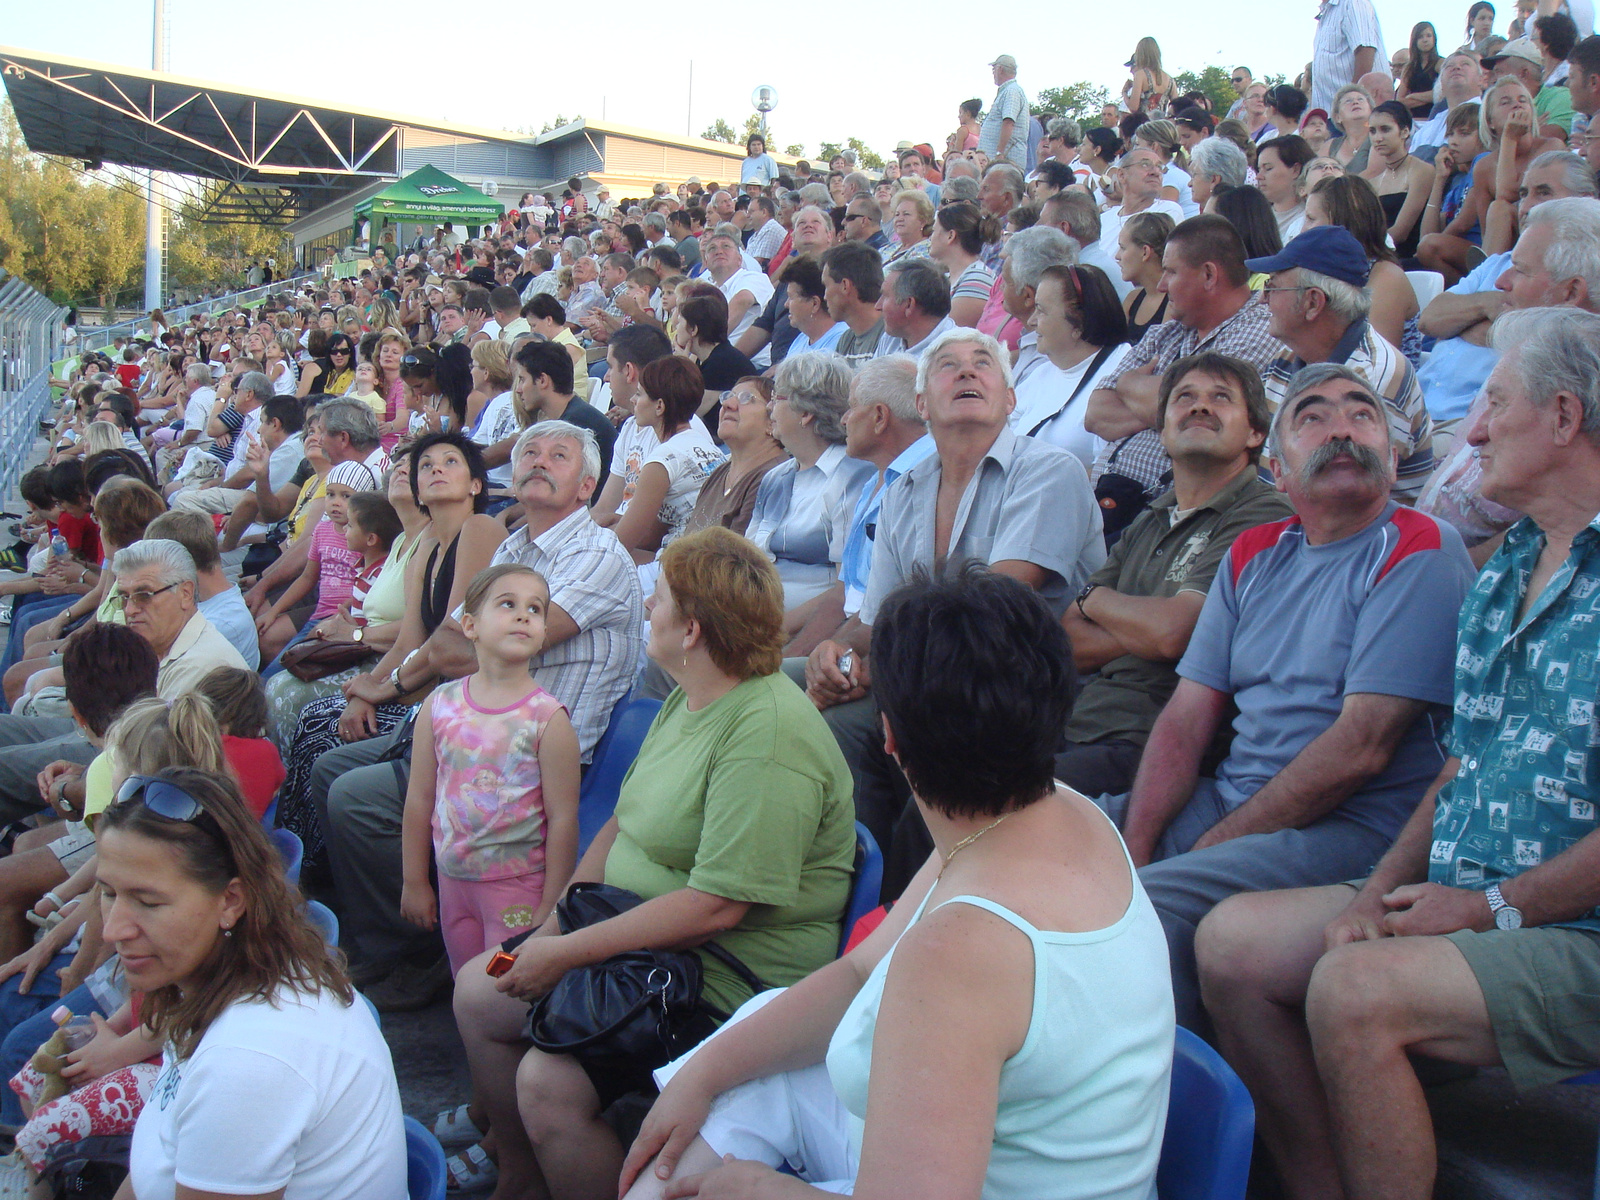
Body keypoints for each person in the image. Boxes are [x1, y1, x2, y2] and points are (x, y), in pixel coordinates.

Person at [1195, 308, 1600, 1200]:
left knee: (1353, 988)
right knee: (1230, 944)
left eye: (1493, 405)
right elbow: (1459, 769)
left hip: (1569, 927)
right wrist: (1376, 894)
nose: (1471, 430)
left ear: (1565, 420)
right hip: (1462, 891)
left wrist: (1490, 908)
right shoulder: (1510, 562)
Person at [619, 567, 1174, 1200]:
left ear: (888, 739)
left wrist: (757, 1190)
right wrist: (704, 1073)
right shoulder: (1060, 812)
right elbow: (859, 975)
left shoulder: (963, 949)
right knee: (747, 1059)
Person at [449, 526, 856, 1200]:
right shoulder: (691, 693)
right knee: (479, 988)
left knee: (546, 1086)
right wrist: (556, 925)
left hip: (720, 979)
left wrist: (569, 952)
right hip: (628, 934)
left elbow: (716, 908)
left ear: (691, 629)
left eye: (659, 598)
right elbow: (622, 822)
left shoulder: (767, 736)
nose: (647, 609)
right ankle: (519, 1175)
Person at [1099, 363, 1473, 1029]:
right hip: (1235, 799)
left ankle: (1174, 1112)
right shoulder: (1253, 551)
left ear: (1393, 457)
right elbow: (1187, 716)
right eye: (1313, 417)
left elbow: (1360, 749)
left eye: (1362, 415)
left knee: (1139, 909)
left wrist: (1208, 849)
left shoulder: (1419, 546)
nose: (1342, 429)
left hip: (1354, 829)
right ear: (1277, 468)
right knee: (1047, 842)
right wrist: (1137, 838)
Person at [309, 422, 640, 1011]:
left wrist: (418, 668)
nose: (539, 462)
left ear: (589, 484)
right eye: (529, 453)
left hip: (537, 757)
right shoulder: (516, 547)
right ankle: (409, 935)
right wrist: (382, 689)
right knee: (331, 767)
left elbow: (502, 644)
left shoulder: (597, 555)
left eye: (558, 456)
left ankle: (412, 956)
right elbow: (445, 636)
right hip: (478, 729)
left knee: (355, 798)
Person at [101, 767, 406, 1198]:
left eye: (147, 902)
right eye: (109, 894)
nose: (112, 931)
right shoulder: (230, 977)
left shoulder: (249, 1059)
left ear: (230, 901)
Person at [1058, 353, 1294, 800]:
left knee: (983, 810)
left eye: (1220, 398)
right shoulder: (1151, 517)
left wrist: (1095, 599)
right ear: (1163, 431)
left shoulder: (1264, 514)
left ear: (1256, 432)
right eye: (1185, 397)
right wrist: (1150, 628)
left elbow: (1172, 634)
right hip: (1082, 722)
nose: (1200, 407)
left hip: (1156, 744)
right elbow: (1069, 641)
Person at [401, 564, 580, 975]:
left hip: (517, 892)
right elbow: (420, 798)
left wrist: (550, 907)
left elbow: (563, 818)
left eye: (536, 609)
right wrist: (414, 880)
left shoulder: (548, 719)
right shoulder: (439, 705)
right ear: (470, 625)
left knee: (500, 983)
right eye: (507, 604)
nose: (523, 615)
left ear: (542, 636)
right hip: (452, 884)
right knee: (463, 979)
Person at [1086, 216, 1287, 497]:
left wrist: (1128, 385)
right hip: (1110, 498)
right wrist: (1171, 407)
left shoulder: (1259, 328)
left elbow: (1205, 411)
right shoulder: (1168, 332)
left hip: (1166, 508)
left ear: (1208, 275)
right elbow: (1096, 413)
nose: (1162, 286)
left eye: (1171, 272)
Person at [1251, 225, 1437, 501]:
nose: (1262, 298)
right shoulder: (1290, 355)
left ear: (1313, 302)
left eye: (1272, 287)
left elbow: (1341, 501)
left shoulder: (1371, 380)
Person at [747, 352, 875, 610]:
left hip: (796, 630)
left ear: (805, 412)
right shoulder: (775, 477)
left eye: (776, 398)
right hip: (751, 612)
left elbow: (846, 593)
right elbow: (748, 558)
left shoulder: (852, 476)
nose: (769, 408)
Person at [607, 357, 726, 566]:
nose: (633, 401)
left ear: (659, 406)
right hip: (704, 559)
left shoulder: (661, 461)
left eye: (639, 394)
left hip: (680, 568)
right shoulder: (708, 446)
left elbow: (621, 544)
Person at [1015, 264, 1131, 468]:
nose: (1032, 321)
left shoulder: (1122, 371)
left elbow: (1106, 472)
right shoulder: (1041, 374)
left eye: (1041, 311)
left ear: (1078, 323)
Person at [1304, 172, 1422, 354]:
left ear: (1342, 224)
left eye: (1311, 219)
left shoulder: (1386, 278)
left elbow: (1375, 363)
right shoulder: (1325, 273)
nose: (1304, 229)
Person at [683, 377, 788, 538]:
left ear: (772, 421)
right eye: (727, 396)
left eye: (746, 398)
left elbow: (734, 557)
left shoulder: (773, 477)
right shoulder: (719, 474)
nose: (727, 404)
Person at [1365, 101, 1433, 259]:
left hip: (1407, 257)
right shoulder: (1372, 183)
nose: (1378, 138)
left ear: (1404, 132)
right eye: (1372, 131)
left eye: (1385, 129)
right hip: (1377, 256)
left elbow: (1401, 232)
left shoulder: (1421, 170)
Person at [928, 202, 1000, 328]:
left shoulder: (978, 278)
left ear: (950, 235)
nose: (930, 238)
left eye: (933, 231)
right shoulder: (949, 277)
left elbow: (945, 334)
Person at [1311, 0, 1387, 113]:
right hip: (1332, 112)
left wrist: (1352, 97)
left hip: (1354, 113)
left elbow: (1365, 49)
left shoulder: (1352, 3)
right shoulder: (1327, 13)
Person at [1116, 212, 1176, 342]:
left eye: (1122, 248)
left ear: (1145, 252)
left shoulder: (1174, 302)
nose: (1117, 256)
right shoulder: (1132, 299)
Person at [1257, 136, 1317, 242]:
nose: (1259, 176)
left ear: (1295, 170)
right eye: (1258, 169)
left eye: (1268, 168)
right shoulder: (1256, 217)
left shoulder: (1310, 221)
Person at [979, 54, 1030, 168]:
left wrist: (999, 153)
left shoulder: (1011, 91)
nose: (993, 73)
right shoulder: (1009, 91)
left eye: (994, 69)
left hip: (1004, 162)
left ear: (1000, 69)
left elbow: (1008, 122)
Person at [1326, 85, 1377, 174]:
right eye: (1348, 101)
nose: (1355, 102)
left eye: (1360, 99)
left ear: (1371, 110)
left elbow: (1374, 172)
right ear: (1338, 117)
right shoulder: (1330, 146)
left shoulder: (1378, 139)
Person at [1398, 22, 1444, 118]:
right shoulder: (1409, 67)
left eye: (1428, 36)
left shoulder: (1441, 63)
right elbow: (1400, 101)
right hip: (1413, 119)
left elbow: (1442, 94)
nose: (1425, 40)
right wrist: (1428, 97)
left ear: (1434, 39)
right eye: (1420, 37)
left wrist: (1412, 96)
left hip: (1435, 117)